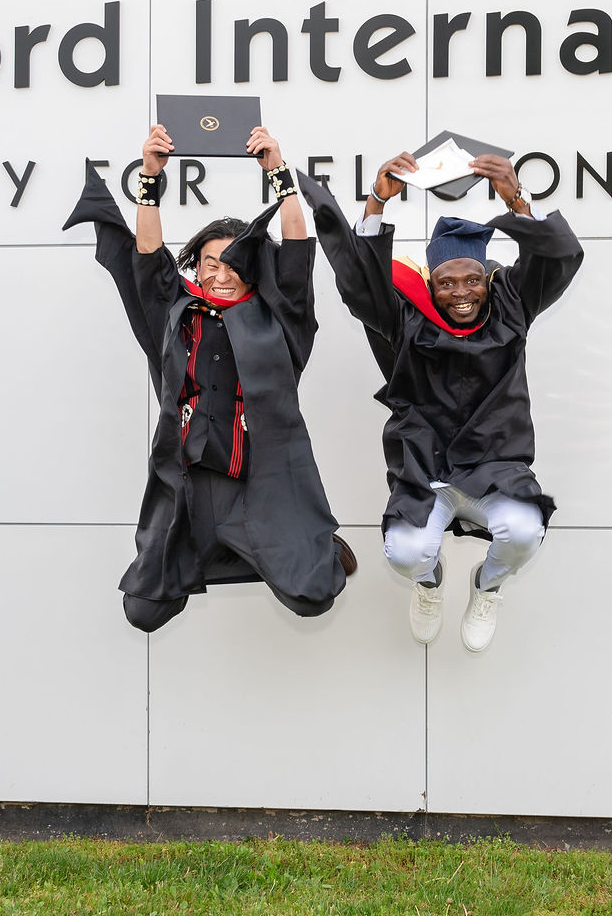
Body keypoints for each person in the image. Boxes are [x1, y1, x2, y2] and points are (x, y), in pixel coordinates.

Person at [64, 124, 354, 632]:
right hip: (191, 486)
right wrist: (150, 177)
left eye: (228, 265)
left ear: (251, 269)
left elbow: (296, 249)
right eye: (205, 264)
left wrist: (279, 174)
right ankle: (231, 549)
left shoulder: (279, 319)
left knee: (315, 598)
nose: (216, 275)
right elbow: (149, 260)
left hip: (260, 483)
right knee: (144, 610)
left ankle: (305, 543)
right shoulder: (177, 315)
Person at [300, 152, 582, 651]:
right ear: (431, 283)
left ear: (487, 276)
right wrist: (377, 200)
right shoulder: (409, 318)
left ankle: (486, 586)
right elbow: (361, 284)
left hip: (496, 466)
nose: (461, 292)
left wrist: (517, 201)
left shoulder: (511, 304)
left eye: (471, 278)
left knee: (522, 533)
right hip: (425, 468)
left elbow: (558, 259)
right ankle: (429, 583)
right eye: (446, 281)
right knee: (406, 554)